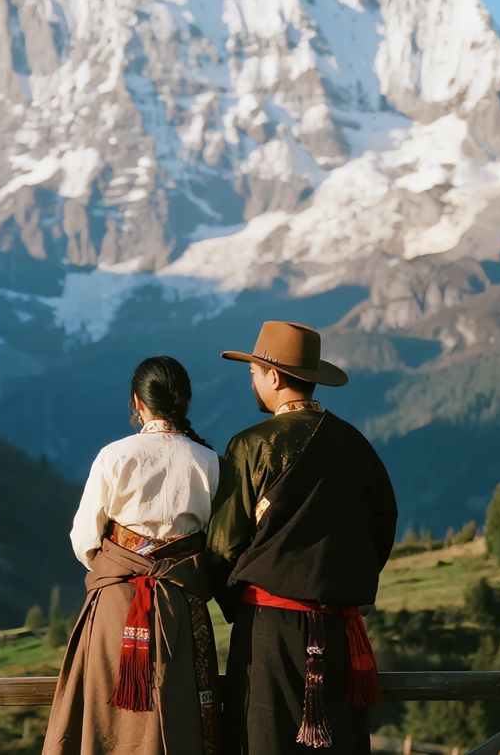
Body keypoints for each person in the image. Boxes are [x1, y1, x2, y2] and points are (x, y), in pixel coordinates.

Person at [207, 321, 398, 754]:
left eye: (254, 372)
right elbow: (381, 528)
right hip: (338, 631)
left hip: (267, 631)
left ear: (274, 376)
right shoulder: (356, 445)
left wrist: (236, 598)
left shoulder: (252, 446)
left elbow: (221, 544)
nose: (252, 380)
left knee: (263, 742)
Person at [42, 356, 221, 755]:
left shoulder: (114, 456)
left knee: (106, 719)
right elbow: (215, 539)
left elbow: (84, 538)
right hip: (181, 606)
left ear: (138, 403)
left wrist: (120, 568)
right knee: (178, 713)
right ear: (186, 402)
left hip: (115, 606)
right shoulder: (208, 461)